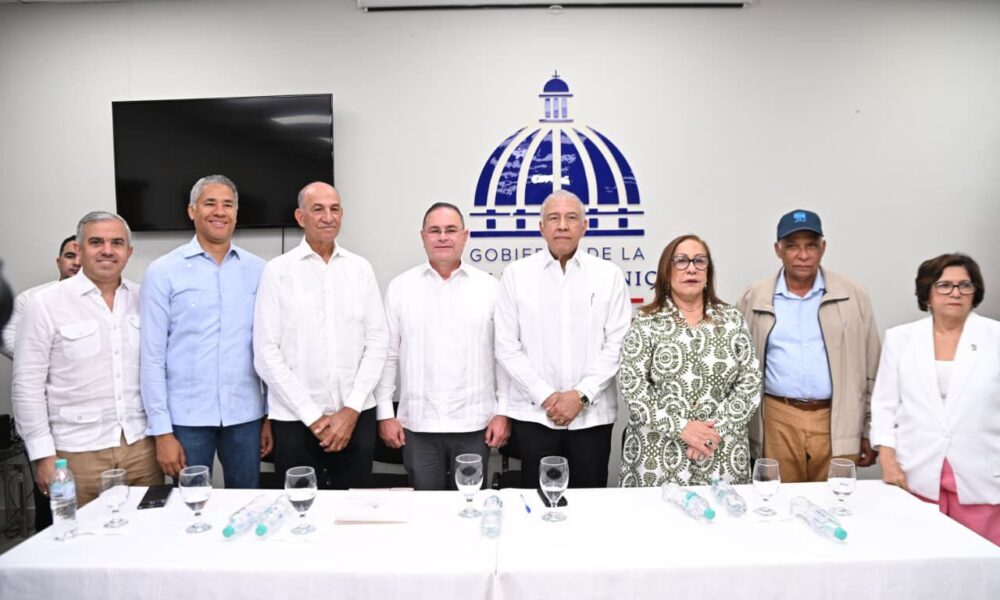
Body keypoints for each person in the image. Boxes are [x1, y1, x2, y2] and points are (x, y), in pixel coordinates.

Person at [12, 211, 163, 506]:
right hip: (76, 453)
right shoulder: (45, 303)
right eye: (96, 242)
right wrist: (43, 455)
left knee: (148, 530)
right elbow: (27, 385)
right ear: (79, 250)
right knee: (80, 533)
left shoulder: (145, 298)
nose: (107, 250)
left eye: (117, 243)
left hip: (141, 449)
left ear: (129, 252)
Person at [253, 182, 388, 489]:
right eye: (318, 209)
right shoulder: (277, 272)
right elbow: (266, 353)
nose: (328, 217)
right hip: (295, 420)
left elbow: (378, 342)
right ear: (300, 217)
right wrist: (312, 416)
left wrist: (351, 408)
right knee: (300, 507)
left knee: (354, 507)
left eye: (334, 209)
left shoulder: (360, 269)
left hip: (356, 416)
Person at [140, 175, 271, 488]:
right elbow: (151, 356)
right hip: (186, 419)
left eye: (228, 205)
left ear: (236, 213)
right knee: (190, 505)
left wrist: (269, 415)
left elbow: (269, 346)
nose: (220, 212)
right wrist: (162, 432)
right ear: (192, 211)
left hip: (246, 416)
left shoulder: (259, 270)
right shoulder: (163, 271)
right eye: (210, 203)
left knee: (248, 501)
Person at [494, 190, 631, 489]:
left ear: (585, 226)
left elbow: (618, 344)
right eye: (554, 218)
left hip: (592, 416)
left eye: (571, 218)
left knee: (590, 503)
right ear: (541, 227)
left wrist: (580, 395)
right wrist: (546, 396)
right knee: (539, 501)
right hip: (535, 416)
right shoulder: (516, 275)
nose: (563, 226)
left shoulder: (608, 275)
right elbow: (506, 347)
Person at [738, 210, 880, 483]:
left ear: (823, 248)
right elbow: (739, 366)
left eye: (811, 246)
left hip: (837, 417)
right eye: (792, 246)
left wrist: (869, 427)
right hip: (777, 417)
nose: (803, 255)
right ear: (778, 250)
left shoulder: (853, 294)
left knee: (835, 501)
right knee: (778, 500)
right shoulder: (754, 297)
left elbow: (872, 364)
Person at [375, 203, 510, 490]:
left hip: (475, 424)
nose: (443, 237)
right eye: (435, 230)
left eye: (451, 230)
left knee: (470, 505)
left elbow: (505, 357)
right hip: (418, 425)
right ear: (423, 236)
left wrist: (503, 412)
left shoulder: (489, 288)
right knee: (425, 509)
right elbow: (387, 356)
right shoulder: (401, 288)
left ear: (465, 236)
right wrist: (385, 413)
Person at [871, 253, 999, 545]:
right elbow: (884, 406)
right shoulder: (900, 339)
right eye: (944, 285)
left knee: (983, 564)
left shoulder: (996, 337)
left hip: (983, 475)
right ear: (927, 294)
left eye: (965, 285)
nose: (955, 292)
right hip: (916, 474)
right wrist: (888, 462)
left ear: (975, 292)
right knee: (922, 559)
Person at [619, 235, 762, 487]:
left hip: (722, 453)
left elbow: (750, 383)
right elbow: (634, 387)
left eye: (699, 261)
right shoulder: (646, 322)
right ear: (667, 271)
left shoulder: (732, 319)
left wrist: (711, 433)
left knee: (724, 513)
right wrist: (681, 428)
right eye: (681, 261)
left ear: (708, 273)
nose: (691, 268)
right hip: (658, 457)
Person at [1, 235, 80, 358]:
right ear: (59, 262)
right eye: (70, 256)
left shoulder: (105, 299)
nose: (77, 262)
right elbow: (6, 335)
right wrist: (40, 360)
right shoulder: (29, 297)